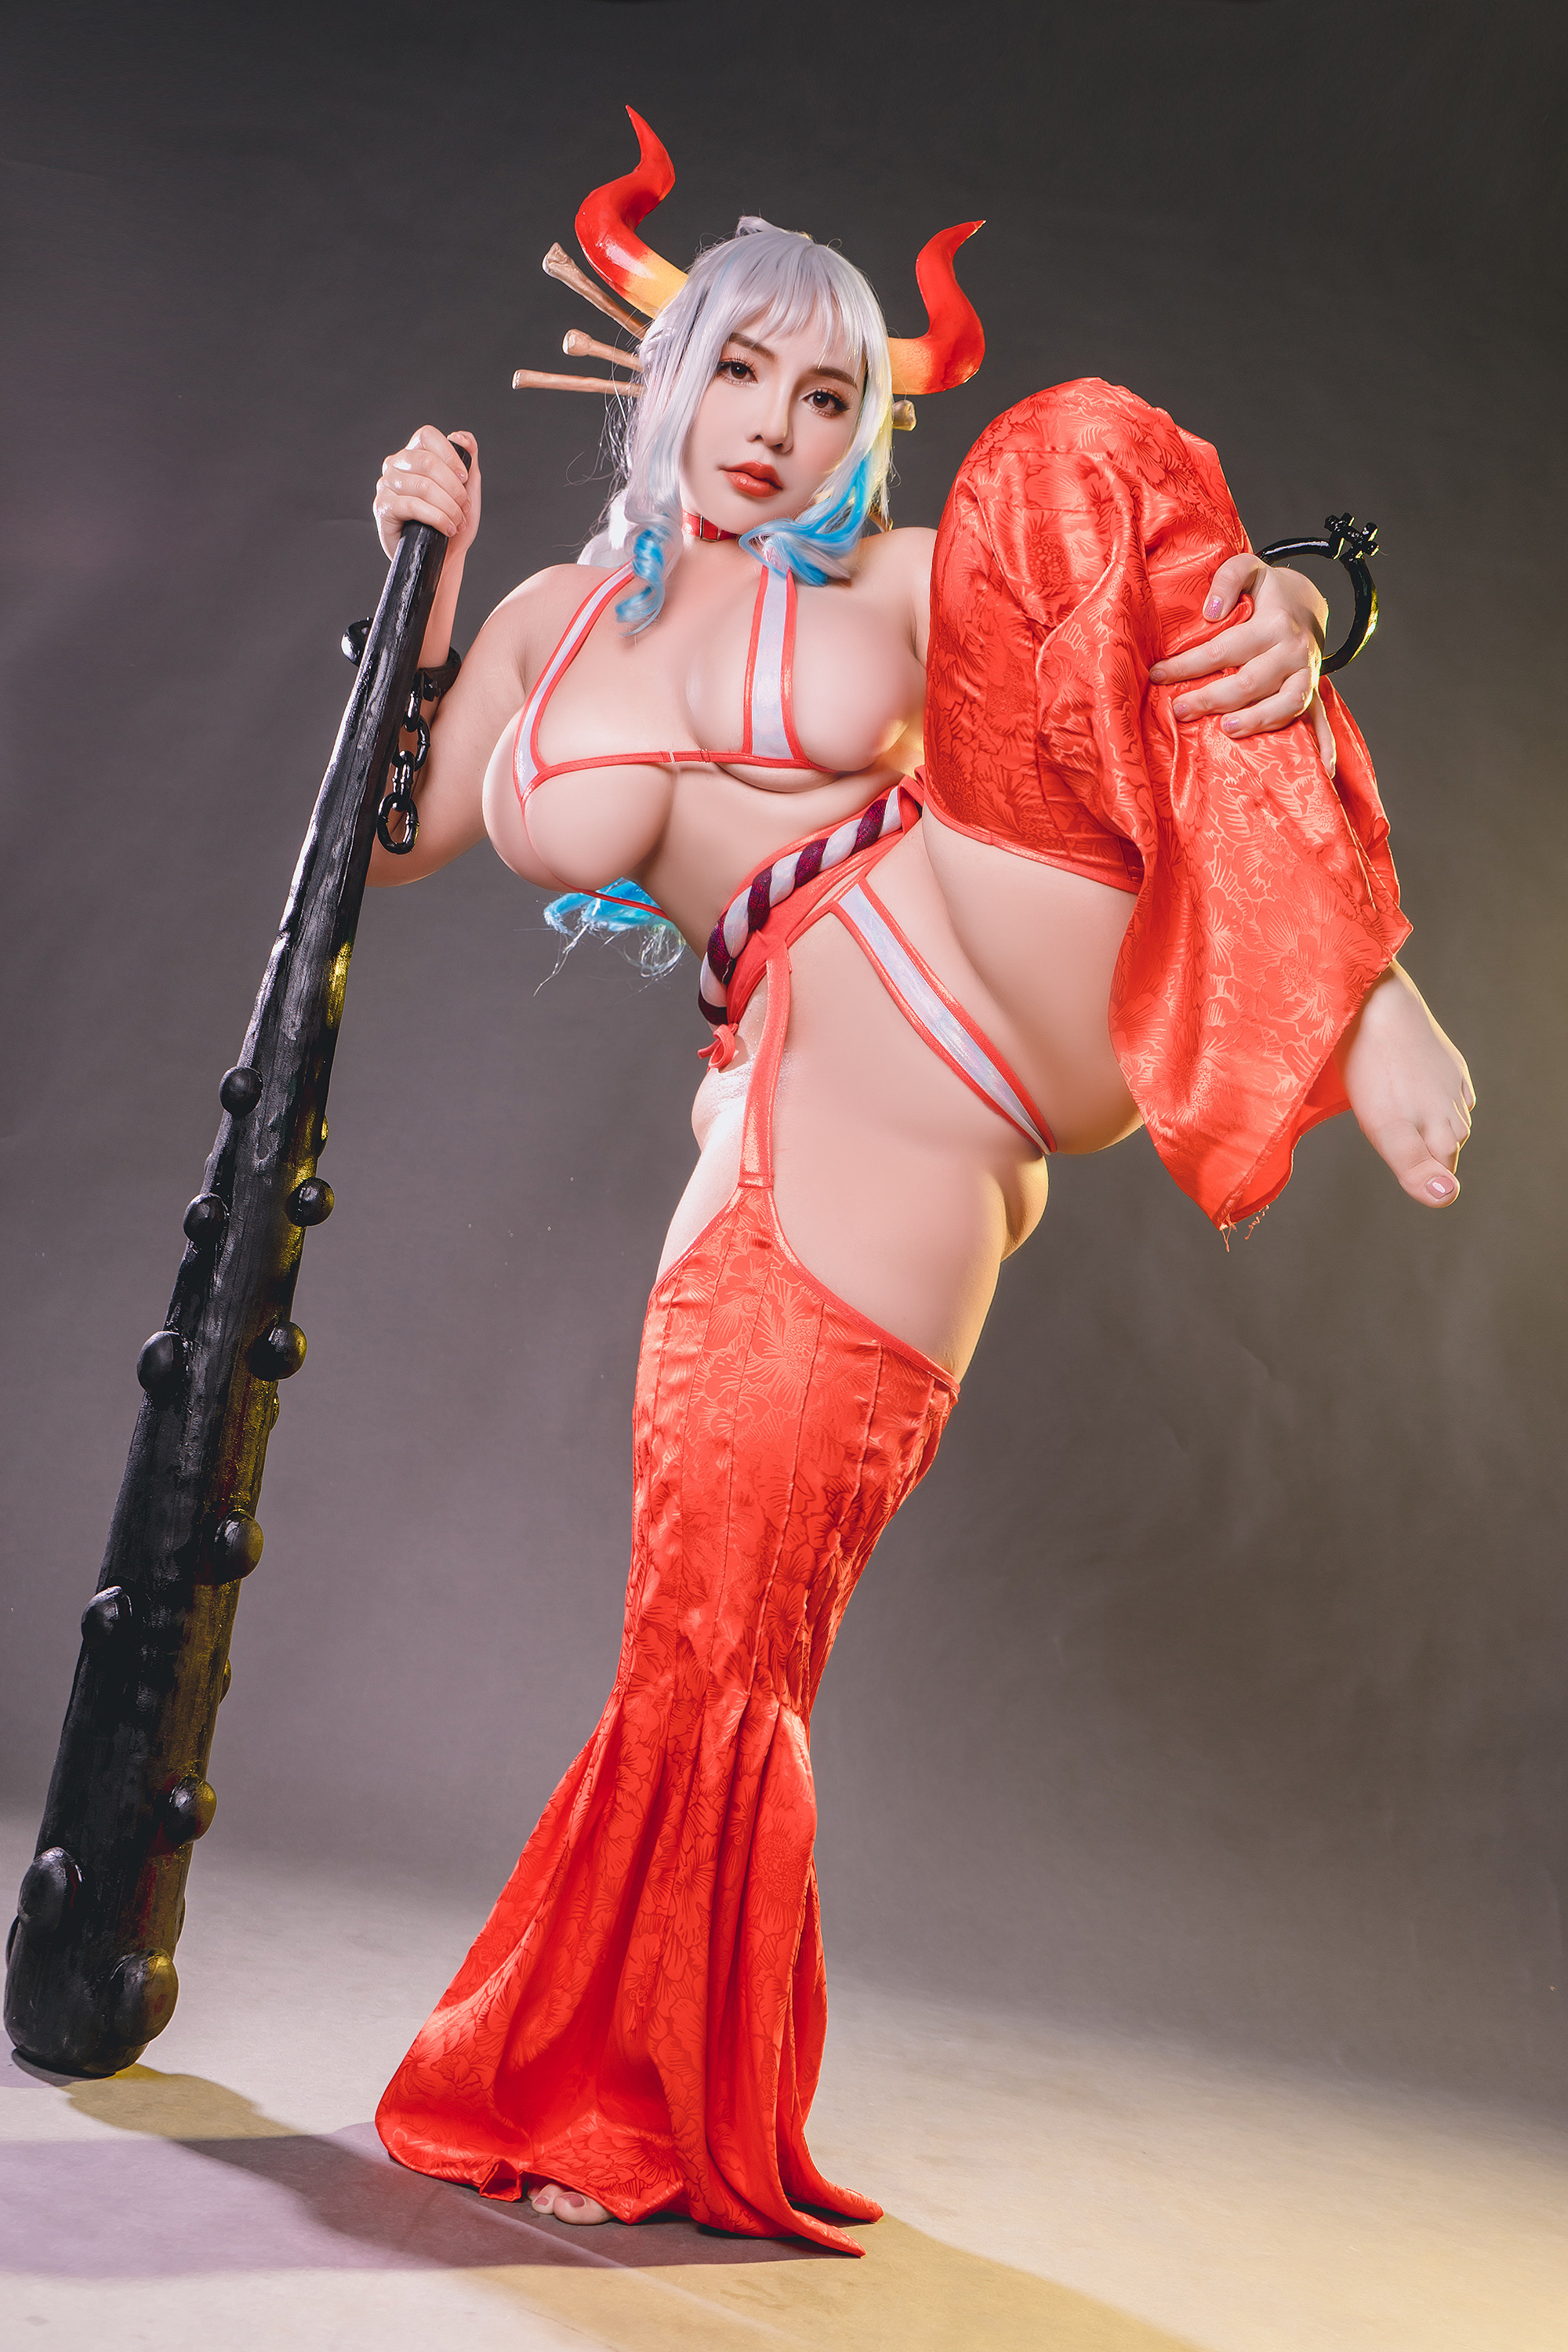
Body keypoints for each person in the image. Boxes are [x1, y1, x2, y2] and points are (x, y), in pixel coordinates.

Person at [367, 128, 1473, 2252]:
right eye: (743, 373)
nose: (778, 430)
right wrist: (416, 576)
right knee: (702, 1627)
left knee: (1074, 451)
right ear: (664, 370)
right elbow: (388, 834)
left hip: (990, 966)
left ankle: (1355, 992)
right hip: (801, 1097)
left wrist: (1314, 598)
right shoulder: (543, 623)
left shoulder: (887, 582)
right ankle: (620, 2087)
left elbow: (1165, 581)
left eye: (831, 396)